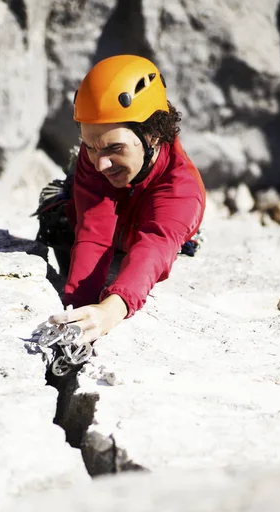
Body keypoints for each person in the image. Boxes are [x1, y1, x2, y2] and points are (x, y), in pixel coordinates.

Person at [42, 54, 206, 343]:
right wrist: (76, 307)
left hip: (151, 229)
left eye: (113, 147)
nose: (100, 163)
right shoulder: (94, 157)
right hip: (113, 219)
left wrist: (108, 312)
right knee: (57, 213)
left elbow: (153, 249)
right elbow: (94, 229)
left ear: (153, 134)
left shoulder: (181, 190)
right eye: (90, 146)